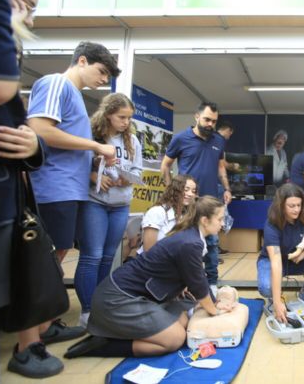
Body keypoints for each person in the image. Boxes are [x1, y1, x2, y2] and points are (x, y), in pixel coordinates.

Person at [0, 0, 63, 379]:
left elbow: (24, 130)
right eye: (25, 5)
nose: (30, 19)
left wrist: (33, 146)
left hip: (7, 198)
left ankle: (31, 339)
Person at [64, 196, 230, 359]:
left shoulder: (191, 236)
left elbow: (198, 277)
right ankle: (103, 344)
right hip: (117, 300)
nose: (222, 224)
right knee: (175, 338)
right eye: (220, 219)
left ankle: (120, 334)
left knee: (183, 321)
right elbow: (198, 286)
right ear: (204, 220)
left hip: (137, 295)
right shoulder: (191, 242)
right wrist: (216, 311)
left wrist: (214, 302)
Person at [27, 41, 120, 263]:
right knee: (44, 258)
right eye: (102, 71)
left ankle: (46, 297)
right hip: (53, 188)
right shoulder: (56, 83)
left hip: (70, 189)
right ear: (82, 61)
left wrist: (94, 161)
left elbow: (65, 141)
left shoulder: (75, 95)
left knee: (57, 253)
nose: (104, 80)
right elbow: (39, 129)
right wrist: (95, 146)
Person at [75, 93, 142, 328]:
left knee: (107, 257)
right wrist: (94, 175)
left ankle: (101, 305)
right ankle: (86, 310)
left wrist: (127, 179)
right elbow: (74, 165)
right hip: (95, 202)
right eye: (121, 117)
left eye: (129, 118)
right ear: (108, 115)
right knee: (91, 255)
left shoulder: (133, 142)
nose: (126, 122)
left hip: (120, 205)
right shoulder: (91, 137)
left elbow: (138, 172)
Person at [161, 101, 231, 291]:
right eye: (207, 119)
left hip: (210, 201)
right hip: (187, 201)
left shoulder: (218, 140)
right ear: (196, 116)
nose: (210, 124)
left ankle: (212, 283)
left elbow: (221, 166)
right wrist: (171, 192)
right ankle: (187, 283)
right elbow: (165, 165)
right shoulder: (181, 139)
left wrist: (227, 188)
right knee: (187, 243)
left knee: (212, 243)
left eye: (214, 121)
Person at [257, 183, 304, 321]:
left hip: (298, 261)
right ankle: (273, 299)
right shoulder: (271, 225)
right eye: (291, 206)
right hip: (272, 261)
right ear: (281, 206)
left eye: (299, 205)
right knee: (266, 288)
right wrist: (277, 301)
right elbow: (276, 263)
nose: (296, 209)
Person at [141, 175, 198, 252]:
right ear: (175, 190)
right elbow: (148, 251)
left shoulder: (188, 215)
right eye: (186, 189)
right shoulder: (157, 212)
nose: (190, 194)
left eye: (193, 191)